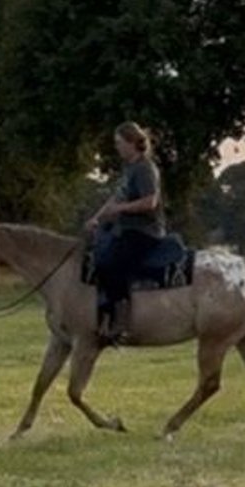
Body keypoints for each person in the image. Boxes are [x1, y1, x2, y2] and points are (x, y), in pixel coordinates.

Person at [85, 122, 166, 347]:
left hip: (145, 231)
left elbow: (151, 201)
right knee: (98, 257)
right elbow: (115, 198)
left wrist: (120, 209)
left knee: (112, 263)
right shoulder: (129, 168)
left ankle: (121, 321)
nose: (117, 147)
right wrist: (96, 218)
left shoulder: (145, 168)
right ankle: (102, 313)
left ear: (132, 143)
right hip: (124, 229)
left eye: (119, 143)